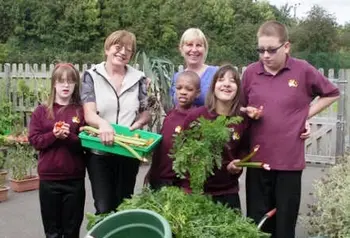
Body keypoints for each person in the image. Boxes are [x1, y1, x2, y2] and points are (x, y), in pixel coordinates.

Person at [241, 20, 340, 238]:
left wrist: (305, 115)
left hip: (289, 165)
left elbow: (332, 93)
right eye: (261, 50)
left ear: (286, 46)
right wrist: (248, 112)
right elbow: (239, 109)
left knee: (284, 228)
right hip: (257, 163)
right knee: (256, 226)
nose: (265, 55)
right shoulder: (250, 73)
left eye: (271, 50)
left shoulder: (302, 70)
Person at [81, 30, 151, 215]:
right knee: (103, 207)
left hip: (128, 150)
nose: (122, 52)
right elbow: (89, 113)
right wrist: (103, 125)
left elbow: (145, 113)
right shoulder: (92, 76)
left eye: (128, 50)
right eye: (118, 47)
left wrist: (139, 123)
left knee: (124, 204)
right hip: (99, 151)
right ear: (107, 48)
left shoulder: (139, 79)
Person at [180, 64, 249, 210]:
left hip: (228, 191)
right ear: (213, 86)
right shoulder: (197, 116)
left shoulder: (242, 119)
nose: (226, 84)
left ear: (238, 89)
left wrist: (238, 164)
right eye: (221, 79)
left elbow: (244, 149)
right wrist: (192, 158)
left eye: (232, 81)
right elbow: (181, 148)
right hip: (196, 191)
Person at [28, 63, 86, 238]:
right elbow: (35, 140)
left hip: (74, 180)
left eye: (70, 81)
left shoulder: (81, 111)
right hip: (49, 180)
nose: (66, 85)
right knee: (52, 232)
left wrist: (69, 137)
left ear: (76, 85)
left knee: (71, 231)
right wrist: (53, 135)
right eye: (61, 81)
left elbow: (86, 144)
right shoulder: (41, 111)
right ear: (54, 84)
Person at [146, 71, 200, 190]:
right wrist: (150, 172)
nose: (183, 92)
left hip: (178, 181)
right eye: (179, 88)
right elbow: (160, 148)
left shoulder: (196, 119)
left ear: (197, 93)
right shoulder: (170, 115)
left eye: (189, 89)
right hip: (158, 177)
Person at [170, 28, 218, 107]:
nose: (194, 49)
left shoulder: (216, 74)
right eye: (189, 45)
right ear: (181, 48)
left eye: (198, 45)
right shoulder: (176, 77)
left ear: (205, 49)